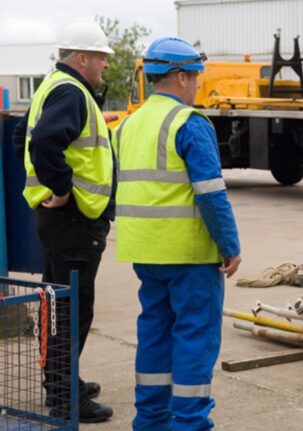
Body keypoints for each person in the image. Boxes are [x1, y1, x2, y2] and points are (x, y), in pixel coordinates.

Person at [113, 37, 241, 431]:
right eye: (197, 75)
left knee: (154, 334)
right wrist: (230, 245)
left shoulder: (129, 124)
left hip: (145, 253)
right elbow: (211, 195)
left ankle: (150, 421)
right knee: (194, 338)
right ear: (181, 76)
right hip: (189, 255)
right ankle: (189, 424)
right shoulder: (189, 123)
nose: (199, 84)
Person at [12, 20, 116, 422]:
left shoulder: (53, 87)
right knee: (72, 308)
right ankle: (63, 396)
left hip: (61, 221)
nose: (105, 66)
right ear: (82, 58)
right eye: (102, 59)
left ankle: (61, 381)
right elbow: (40, 142)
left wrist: (49, 188)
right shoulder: (72, 92)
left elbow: (23, 134)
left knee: (57, 304)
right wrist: (61, 188)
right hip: (74, 220)